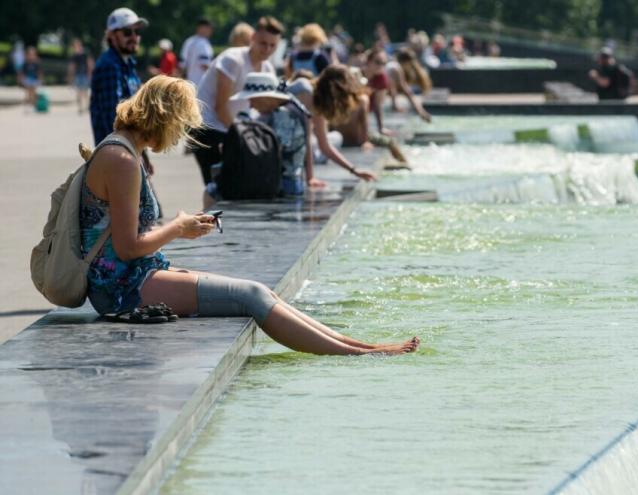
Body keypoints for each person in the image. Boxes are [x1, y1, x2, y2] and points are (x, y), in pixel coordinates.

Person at [81, 75, 417, 355]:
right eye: (182, 125)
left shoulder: (125, 150)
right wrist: (178, 229)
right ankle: (359, 355)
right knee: (250, 296)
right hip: (120, 289)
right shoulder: (122, 160)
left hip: (134, 276)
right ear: (164, 116)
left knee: (261, 291)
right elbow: (127, 248)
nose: (179, 136)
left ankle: (358, 345)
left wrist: (181, 226)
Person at [202, 72, 324, 208]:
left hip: (279, 185)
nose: (251, 105)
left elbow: (271, 151)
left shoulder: (283, 115)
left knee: (212, 191)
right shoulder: (294, 109)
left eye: (253, 99)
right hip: (287, 182)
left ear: (266, 97)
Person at [191, 16, 282, 185]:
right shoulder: (233, 60)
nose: (267, 49)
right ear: (253, 37)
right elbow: (220, 107)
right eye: (263, 43)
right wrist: (244, 139)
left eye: (273, 45)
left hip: (231, 128)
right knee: (218, 188)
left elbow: (264, 108)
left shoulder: (267, 68)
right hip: (207, 128)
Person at [286, 66, 379, 180]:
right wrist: (310, 177)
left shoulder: (317, 101)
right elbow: (307, 138)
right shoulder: (306, 91)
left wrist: (354, 170)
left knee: (335, 137)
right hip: (277, 139)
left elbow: (325, 146)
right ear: (334, 88)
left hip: (292, 142)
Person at [90, 7, 148, 145]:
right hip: (116, 151)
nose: (134, 37)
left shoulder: (128, 63)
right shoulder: (109, 65)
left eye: (137, 31)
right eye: (127, 32)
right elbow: (115, 119)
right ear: (111, 35)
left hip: (129, 147)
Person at [386, 48, 432, 123]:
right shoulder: (396, 68)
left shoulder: (391, 65)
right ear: (406, 62)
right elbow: (405, 90)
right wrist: (421, 112)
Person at [180, 17, 214, 86]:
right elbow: (205, 65)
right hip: (201, 83)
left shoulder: (189, 41)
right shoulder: (203, 43)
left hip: (188, 82)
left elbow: (182, 65)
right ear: (202, 28)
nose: (211, 31)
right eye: (209, 28)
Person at [68, 39, 94, 114]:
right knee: (78, 92)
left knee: (85, 91)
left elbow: (90, 63)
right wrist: (71, 76)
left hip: (85, 74)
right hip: (78, 75)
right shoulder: (74, 56)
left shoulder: (85, 54)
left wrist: (90, 73)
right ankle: (80, 107)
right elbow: (72, 66)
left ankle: (86, 105)